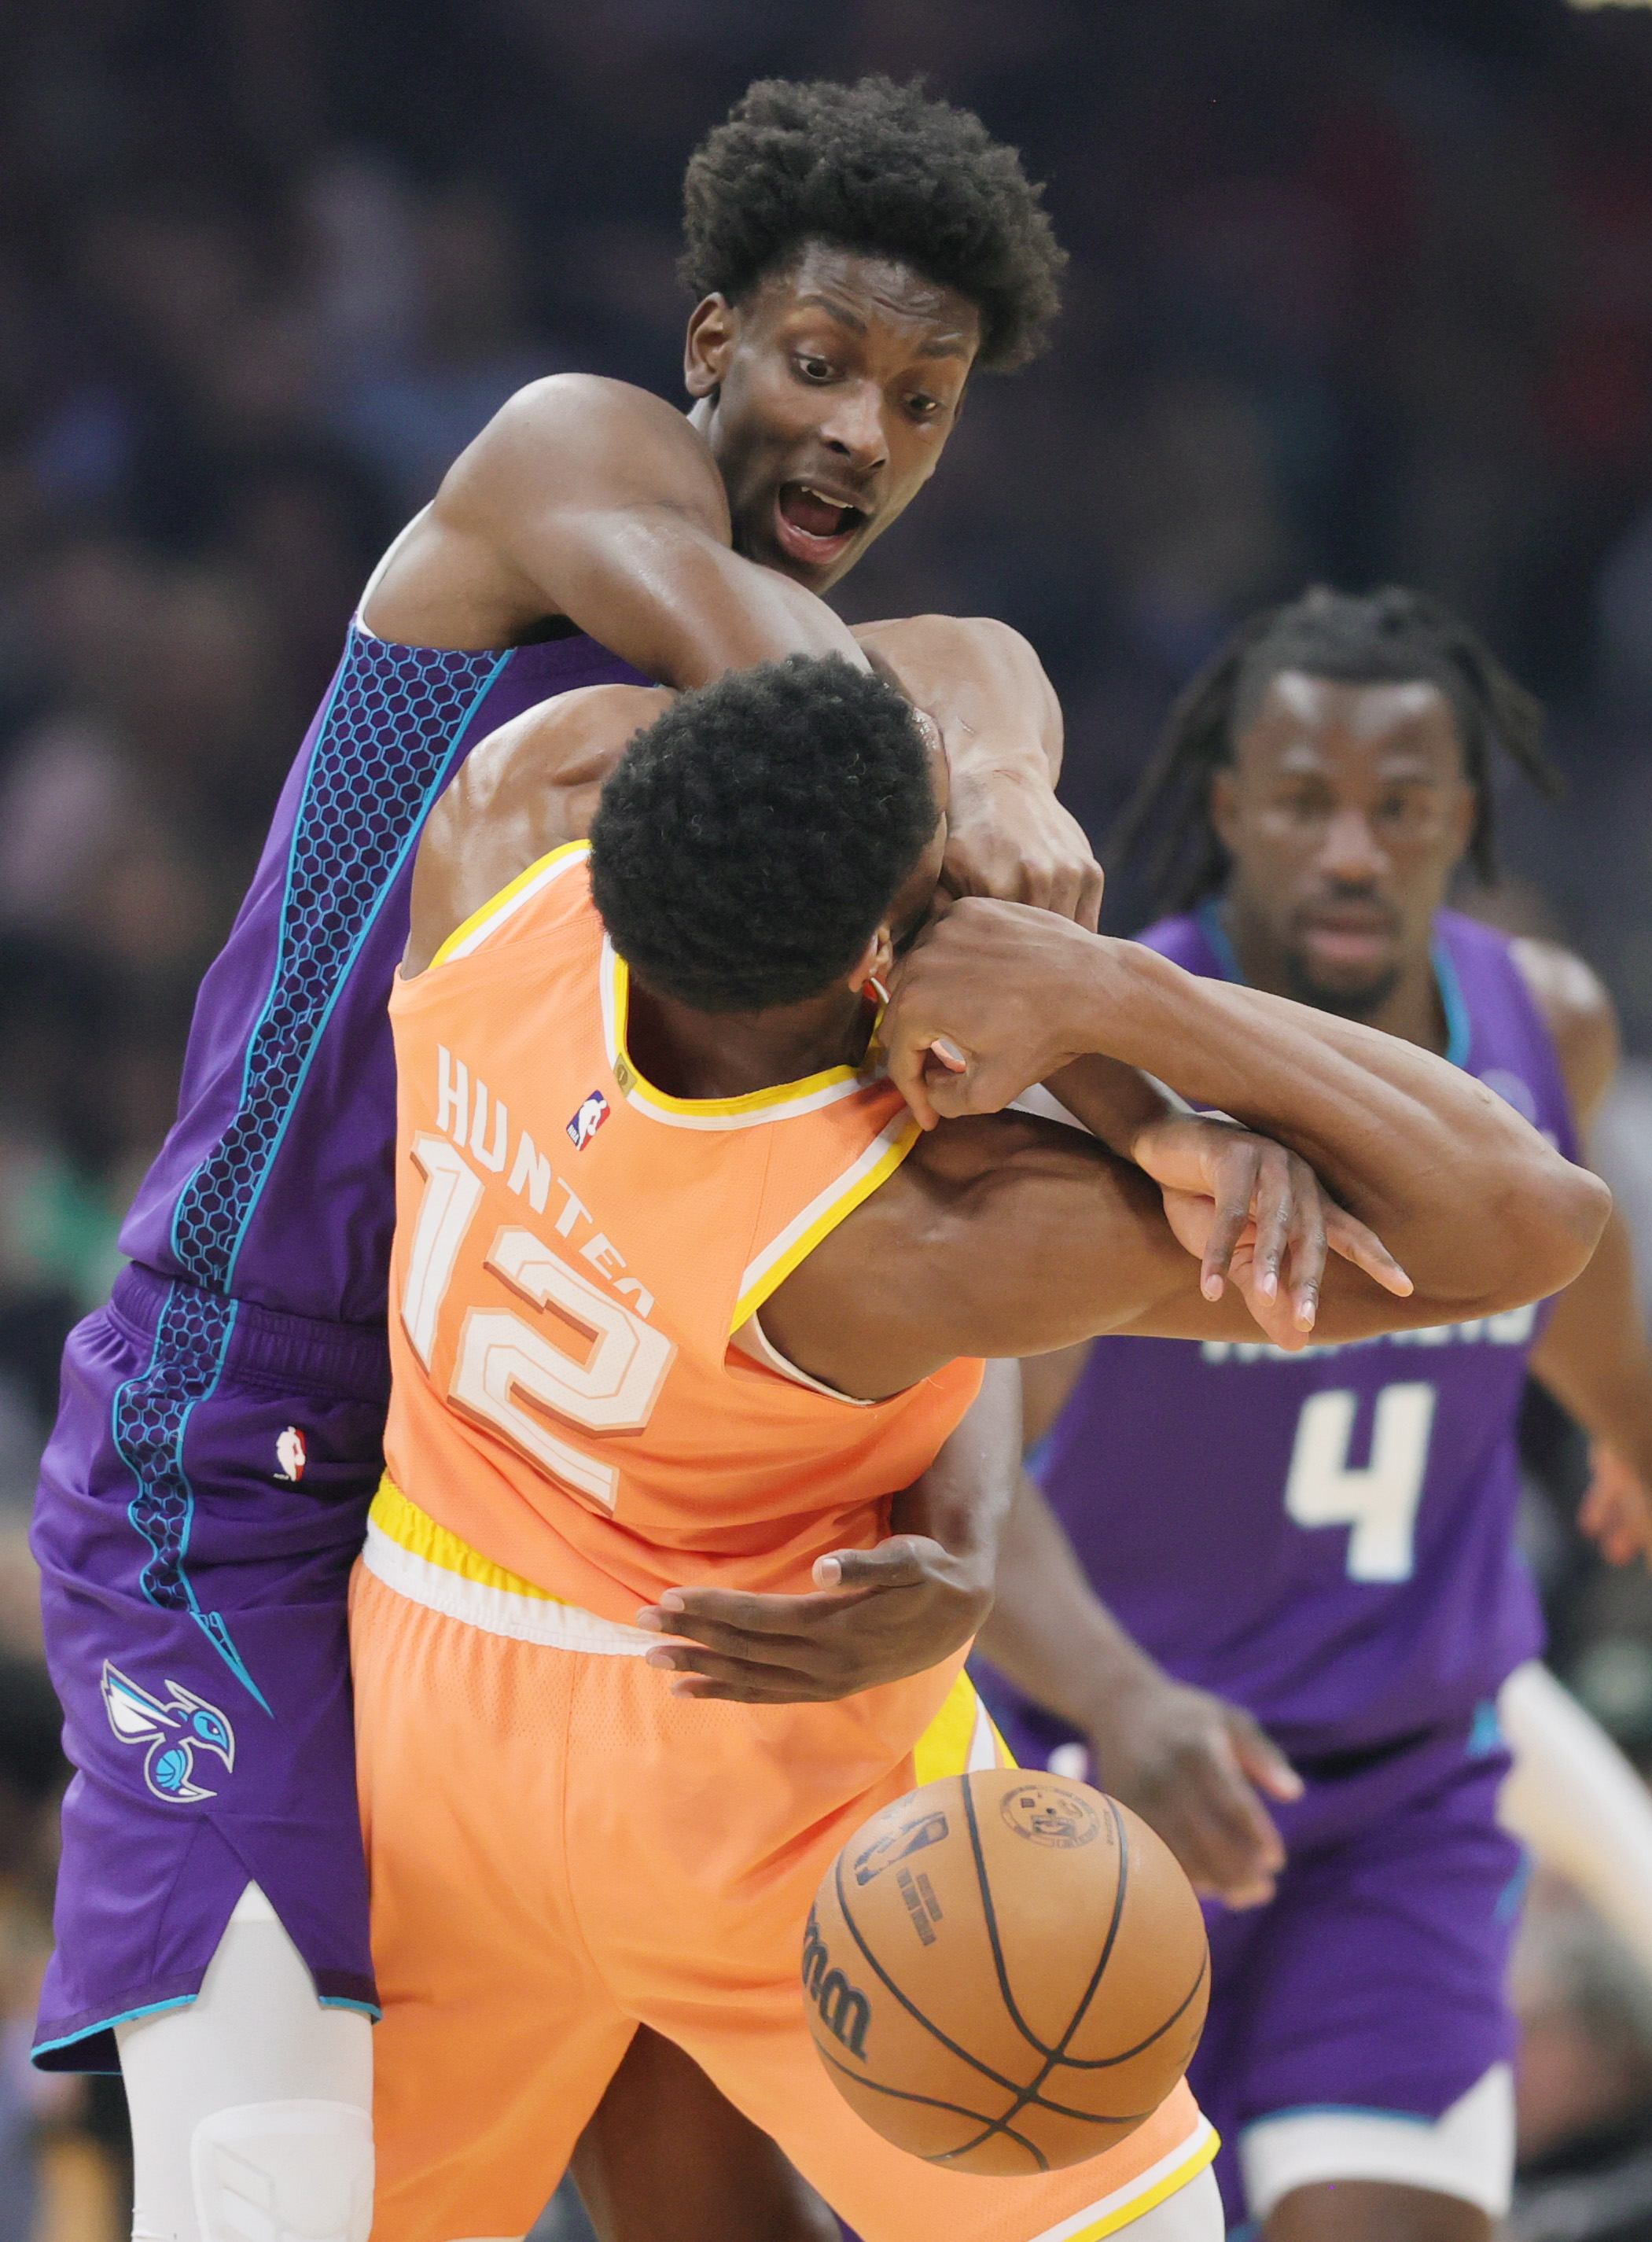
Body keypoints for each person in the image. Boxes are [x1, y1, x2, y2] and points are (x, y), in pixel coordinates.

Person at [31, 74, 1099, 2242]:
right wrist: (983, 754)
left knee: (688, 2179)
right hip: (233, 1430)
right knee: (257, 2180)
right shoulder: (571, 455)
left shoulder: (885, 719)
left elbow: (906, 1200)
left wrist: (966, 1536)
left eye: (922, 396)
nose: (862, 435)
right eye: (816, 362)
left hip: (528, 1497)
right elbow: (815, 690)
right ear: (709, 342)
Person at [356, 649, 1605, 2242]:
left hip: (423, 1698)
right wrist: (1123, 1005)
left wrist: (989, 791)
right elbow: (1526, 1220)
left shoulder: (507, 825)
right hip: (744, 1748)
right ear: (891, 943)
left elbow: (940, 664)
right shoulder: (914, 1232)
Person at [973, 586, 1652, 2242]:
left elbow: (1585, 1279)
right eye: (1302, 802)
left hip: (1399, 1810)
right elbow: (966, 1480)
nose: (1350, 850)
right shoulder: (1107, 1075)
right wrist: (1124, 1697)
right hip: (1098, 1786)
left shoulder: (1541, 1020)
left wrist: (1632, 1430)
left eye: (1400, 807)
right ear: (1225, 811)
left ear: (1464, 821)